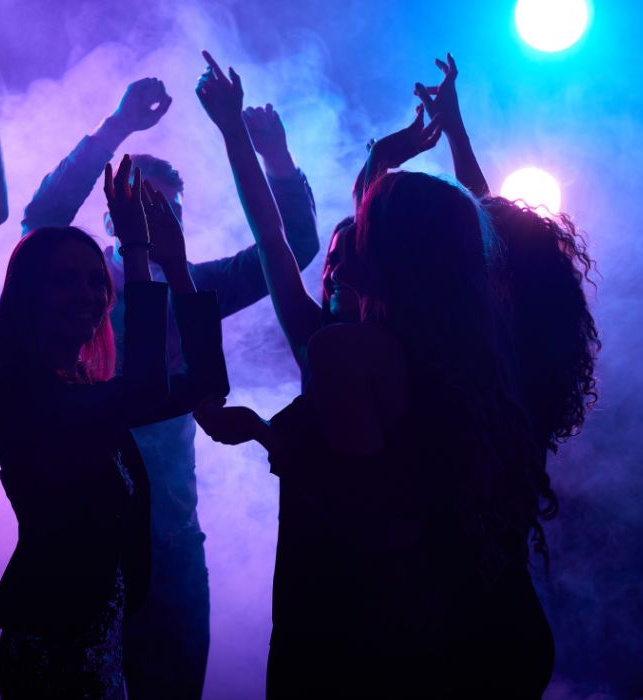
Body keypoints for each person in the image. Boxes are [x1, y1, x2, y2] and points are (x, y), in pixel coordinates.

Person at [194, 51, 556, 697]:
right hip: (488, 630)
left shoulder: (343, 354)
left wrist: (265, 436)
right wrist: (391, 152)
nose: (334, 258)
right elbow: (277, 240)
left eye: (352, 240)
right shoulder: (486, 347)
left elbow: (373, 521)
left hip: (379, 643)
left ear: (384, 257)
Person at [21, 75, 319, 699]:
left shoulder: (193, 284)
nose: (160, 222)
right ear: (116, 214)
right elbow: (41, 219)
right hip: (87, 547)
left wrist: (278, 158)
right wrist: (117, 125)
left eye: (171, 212)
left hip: (175, 544)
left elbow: (293, 247)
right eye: (146, 208)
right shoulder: (77, 283)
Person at [0, 155, 230, 698]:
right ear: (28, 296)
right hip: (56, 650)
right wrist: (135, 251)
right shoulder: (21, 392)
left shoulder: (82, 388)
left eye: (93, 282)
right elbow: (145, 391)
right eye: (66, 281)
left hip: (97, 642)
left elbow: (205, 382)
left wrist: (174, 265)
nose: (88, 295)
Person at [414, 52, 600, 457]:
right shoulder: (525, 349)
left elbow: (488, 230)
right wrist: (456, 132)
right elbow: (489, 228)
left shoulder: (484, 363)